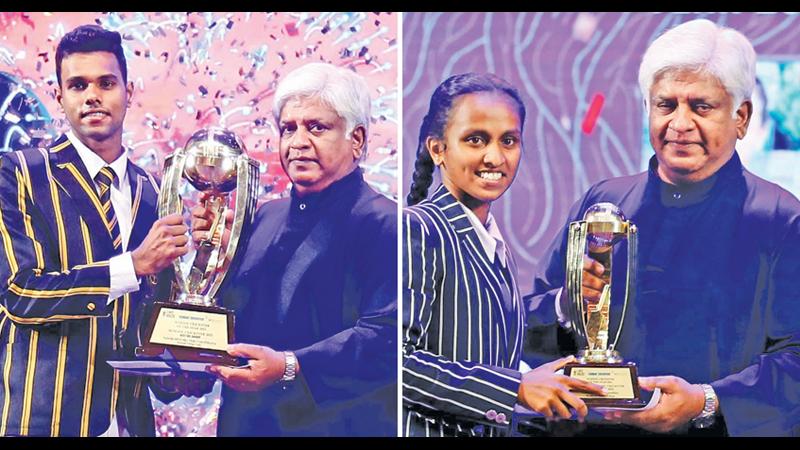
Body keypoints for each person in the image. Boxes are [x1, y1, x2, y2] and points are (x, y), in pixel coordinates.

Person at [526, 19, 800, 436]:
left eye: (701, 106)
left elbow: (795, 358)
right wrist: (568, 305)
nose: (680, 123)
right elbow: (529, 328)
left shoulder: (781, 218)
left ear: (741, 117)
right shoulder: (605, 205)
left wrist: (706, 402)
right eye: (666, 105)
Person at [0, 24, 196, 437]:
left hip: (130, 422)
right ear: (60, 97)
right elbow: (21, 293)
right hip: (44, 421)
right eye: (77, 85)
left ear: (129, 91)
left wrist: (184, 368)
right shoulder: (19, 173)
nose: (92, 95)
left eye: (106, 83)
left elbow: (148, 317)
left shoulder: (153, 192)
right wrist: (132, 266)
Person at [191, 62, 397, 436]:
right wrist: (214, 263)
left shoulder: (387, 224)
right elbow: (238, 322)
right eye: (289, 128)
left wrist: (290, 365)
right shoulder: (262, 218)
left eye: (317, 127)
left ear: (358, 139)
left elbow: (386, 338)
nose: (298, 141)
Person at [402, 73, 605, 437]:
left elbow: (482, 340)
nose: (494, 157)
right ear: (438, 149)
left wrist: (565, 302)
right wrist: (516, 389)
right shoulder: (418, 229)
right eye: (475, 139)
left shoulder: (495, 245)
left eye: (508, 141)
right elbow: (396, 363)